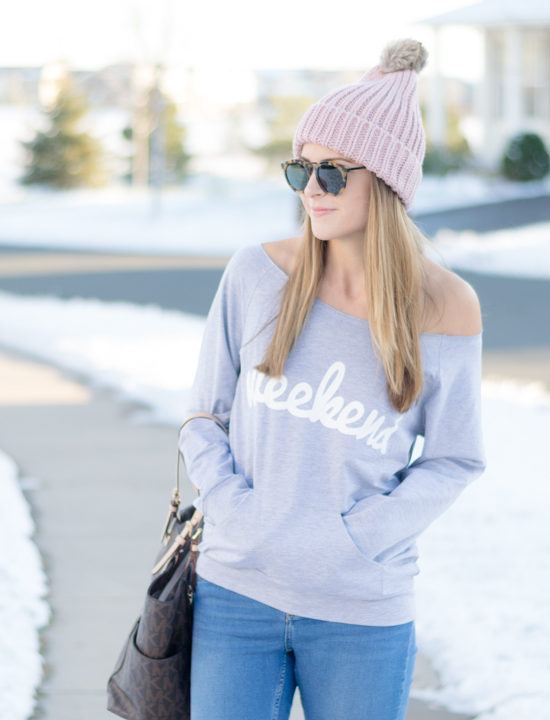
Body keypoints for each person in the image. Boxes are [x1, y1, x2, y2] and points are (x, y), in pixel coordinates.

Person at [179, 38, 487, 720]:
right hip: (236, 595)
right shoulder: (255, 275)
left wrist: (355, 538)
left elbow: (454, 457)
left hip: (361, 610)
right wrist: (239, 512)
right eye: (301, 171)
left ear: (387, 181)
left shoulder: (445, 306)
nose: (311, 191)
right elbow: (204, 416)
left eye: (334, 174)